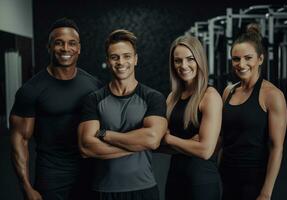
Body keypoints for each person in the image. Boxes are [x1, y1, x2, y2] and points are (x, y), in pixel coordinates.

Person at [10, 18, 102, 200]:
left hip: (89, 170)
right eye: (59, 43)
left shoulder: (94, 85)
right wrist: (26, 187)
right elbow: (19, 140)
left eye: (71, 43)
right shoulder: (31, 90)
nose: (66, 49)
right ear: (49, 47)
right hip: (52, 175)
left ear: (79, 48)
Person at [78, 29, 168, 200]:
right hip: (103, 190)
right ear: (108, 61)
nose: (121, 62)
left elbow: (152, 139)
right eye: (115, 57)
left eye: (127, 56)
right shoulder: (94, 99)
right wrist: (137, 143)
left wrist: (105, 134)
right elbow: (86, 147)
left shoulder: (152, 97)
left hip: (143, 189)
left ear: (135, 59)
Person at [220, 24, 287, 200]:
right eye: (236, 59)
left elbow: (276, 147)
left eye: (248, 58)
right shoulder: (228, 91)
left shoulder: (273, 95)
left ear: (260, 59)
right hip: (225, 175)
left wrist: (266, 192)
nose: (241, 64)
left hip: (254, 180)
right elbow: (222, 137)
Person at [161, 35, 222, 200]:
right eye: (177, 60)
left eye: (190, 59)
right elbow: (157, 145)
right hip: (174, 179)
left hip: (201, 183)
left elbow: (205, 151)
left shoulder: (210, 96)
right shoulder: (172, 98)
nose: (183, 65)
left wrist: (169, 139)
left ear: (199, 60)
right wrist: (189, 143)